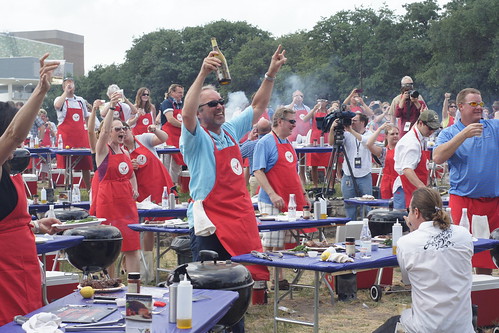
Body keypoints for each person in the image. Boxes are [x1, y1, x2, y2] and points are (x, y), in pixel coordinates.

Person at [0, 54, 62, 326]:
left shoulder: (9, 168)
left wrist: (36, 225)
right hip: (5, 271)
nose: (21, 143)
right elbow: (14, 135)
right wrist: (41, 90)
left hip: (22, 265)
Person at [374, 187, 474, 333]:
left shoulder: (406, 242)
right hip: (462, 326)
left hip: (427, 327)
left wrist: (413, 232)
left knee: (392, 323)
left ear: (416, 212)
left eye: (409, 210)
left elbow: (408, 282)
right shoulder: (464, 234)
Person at [433, 88, 499, 274]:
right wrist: (464, 135)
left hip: (493, 201)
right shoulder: (449, 133)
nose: (478, 108)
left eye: (480, 104)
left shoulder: (493, 127)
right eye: (473, 104)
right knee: (460, 251)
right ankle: (460, 293)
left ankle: (483, 293)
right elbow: (437, 157)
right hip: (464, 200)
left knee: (488, 254)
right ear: (461, 107)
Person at [252, 107, 311, 289]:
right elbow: (258, 171)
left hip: (290, 199)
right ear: (279, 121)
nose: (295, 125)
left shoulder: (287, 143)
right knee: (270, 242)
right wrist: (272, 193)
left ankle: (279, 278)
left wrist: (304, 194)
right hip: (271, 199)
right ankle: (263, 279)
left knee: (284, 242)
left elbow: (293, 172)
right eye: (291, 121)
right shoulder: (265, 142)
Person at [94, 91, 141, 277]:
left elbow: (130, 175)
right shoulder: (102, 151)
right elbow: (103, 132)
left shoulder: (126, 151)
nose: (122, 131)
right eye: (117, 129)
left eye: (123, 128)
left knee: (132, 244)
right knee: (110, 246)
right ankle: (111, 282)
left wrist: (135, 189)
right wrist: (112, 108)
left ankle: (135, 284)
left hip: (126, 203)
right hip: (108, 202)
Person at [328, 113, 373, 220]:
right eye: (351, 121)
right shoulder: (347, 134)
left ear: (362, 122)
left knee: (366, 206)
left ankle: (366, 230)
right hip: (348, 173)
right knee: (349, 205)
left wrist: (350, 130)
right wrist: (331, 130)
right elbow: (331, 143)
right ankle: (351, 229)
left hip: (364, 174)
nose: (351, 123)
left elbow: (365, 141)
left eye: (354, 121)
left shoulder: (370, 133)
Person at [394, 109, 440, 207]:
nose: (431, 132)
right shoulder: (412, 143)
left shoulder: (420, 138)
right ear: (420, 123)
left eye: (434, 129)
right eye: (430, 128)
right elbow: (407, 169)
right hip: (406, 190)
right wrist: (424, 189)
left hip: (414, 190)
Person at [53, 77, 92, 189]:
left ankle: (89, 189)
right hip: (67, 136)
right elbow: (57, 106)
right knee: (68, 164)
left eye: (72, 84)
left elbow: (86, 116)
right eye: (67, 84)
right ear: (63, 86)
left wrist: (89, 132)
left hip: (80, 135)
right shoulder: (60, 99)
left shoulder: (80, 100)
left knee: (85, 164)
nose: (70, 86)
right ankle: (68, 188)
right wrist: (66, 92)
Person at [366, 122, 405, 209]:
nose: (395, 136)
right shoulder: (383, 151)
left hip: (399, 182)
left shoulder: (403, 149)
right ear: (386, 136)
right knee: (386, 208)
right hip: (386, 183)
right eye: (392, 134)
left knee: (400, 208)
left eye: (397, 134)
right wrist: (379, 129)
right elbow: (369, 144)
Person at [159, 84, 185, 186]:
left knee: (177, 162)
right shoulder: (167, 103)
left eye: (182, 93)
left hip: (178, 137)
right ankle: (166, 184)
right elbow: (170, 119)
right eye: (179, 93)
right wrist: (184, 126)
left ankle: (176, 186)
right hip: (168, 137)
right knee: (167, 163)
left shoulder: (180, 105)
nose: (181, 95)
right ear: (172, 93)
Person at [303, 98, 331, 188]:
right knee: (314, 163)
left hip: (326, 136)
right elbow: (304, 119)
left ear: (326, 102)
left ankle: (330, 185)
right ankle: (315, 185)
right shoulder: (314, 111)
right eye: (319, 101)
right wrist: (314, 109)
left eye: (323, 101)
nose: (321, 103)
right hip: (315, 137)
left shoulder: (328, 112)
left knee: (328, 163)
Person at [240, 118, 272, 196]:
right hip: (272, 178)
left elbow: (238, 153)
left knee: (256, 204)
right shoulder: (274, 142)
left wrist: (249, 139)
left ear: (256, 131)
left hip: (257, 179)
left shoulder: (251, 145)